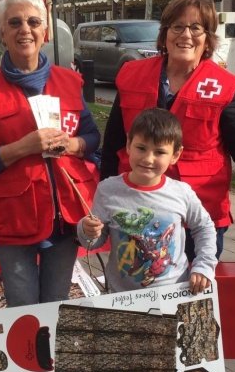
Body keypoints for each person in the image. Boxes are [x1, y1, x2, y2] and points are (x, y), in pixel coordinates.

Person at [102, 0, 235, 266]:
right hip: (137, 208)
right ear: (165, 33)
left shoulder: (222, 86)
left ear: (208, 38)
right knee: (138, 291)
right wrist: (103, 200)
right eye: (177, 26)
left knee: (192, 297)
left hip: (198, 215)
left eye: (196, 28)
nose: (186, 35)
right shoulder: (132, 75)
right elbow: (113, 144)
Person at [0, 0, 101, 307]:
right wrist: (22, 147)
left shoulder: (70, 82)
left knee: (56, 305)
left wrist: (74, 144)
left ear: (45, 32)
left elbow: (93, 137)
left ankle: (51, 359)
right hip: (13, 217)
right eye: (14, 23)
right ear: (2, 33)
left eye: (33, 22)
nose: (24, 29)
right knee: (23, 309)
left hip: (65, 217)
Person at [78, 108, 217, 295]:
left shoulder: (181, 192)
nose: (148, 158)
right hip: (120, 298)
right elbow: (94, 241)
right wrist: (87, 230)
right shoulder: (107, 190)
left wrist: (203, 266)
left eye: (160, 152)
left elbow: (204, 227)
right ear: (128, 144)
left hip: (173, 293)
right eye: (141, 148)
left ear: (175, 155)